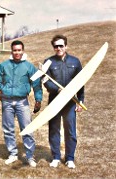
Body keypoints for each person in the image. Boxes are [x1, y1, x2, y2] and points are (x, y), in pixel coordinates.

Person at [0, 40, 43, 167]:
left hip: (22, 102)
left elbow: (37, 84)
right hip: (7, 101)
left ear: (23, 51)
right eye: (15, 50)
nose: (17, 52)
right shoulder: (4, 66)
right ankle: (12, 154)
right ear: (12, 51)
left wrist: (38, 100)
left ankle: (30, 156)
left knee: (27, 129)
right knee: (8, 129)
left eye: (19, 50)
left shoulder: (29, 67)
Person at [43, 34, 84, 169]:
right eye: (56, 46)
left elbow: (81, 82)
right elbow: (46, 81)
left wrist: (80, 100)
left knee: (70, 130)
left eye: (61, 45)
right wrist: (57, 90)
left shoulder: (75, 61)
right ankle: (55, 157)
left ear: (66, 46)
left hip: (70, 102)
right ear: (53, 48)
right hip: (55, 101)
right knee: (54, 129)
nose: (59, 48)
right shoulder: (48, 62)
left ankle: (69, 158)